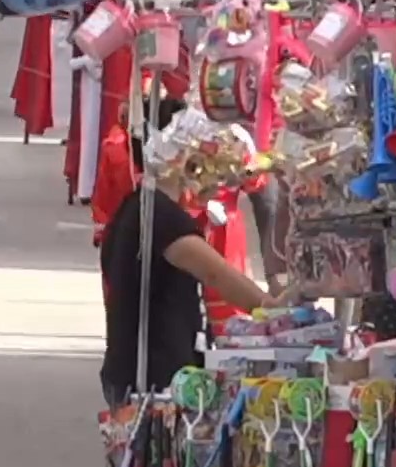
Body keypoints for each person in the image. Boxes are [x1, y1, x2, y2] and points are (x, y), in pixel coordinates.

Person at [99, 100, 279, 408]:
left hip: (139, 368)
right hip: (154, 375)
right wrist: (275, 311)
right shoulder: (161, 218)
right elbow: (217, 274)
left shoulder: (140, 206)